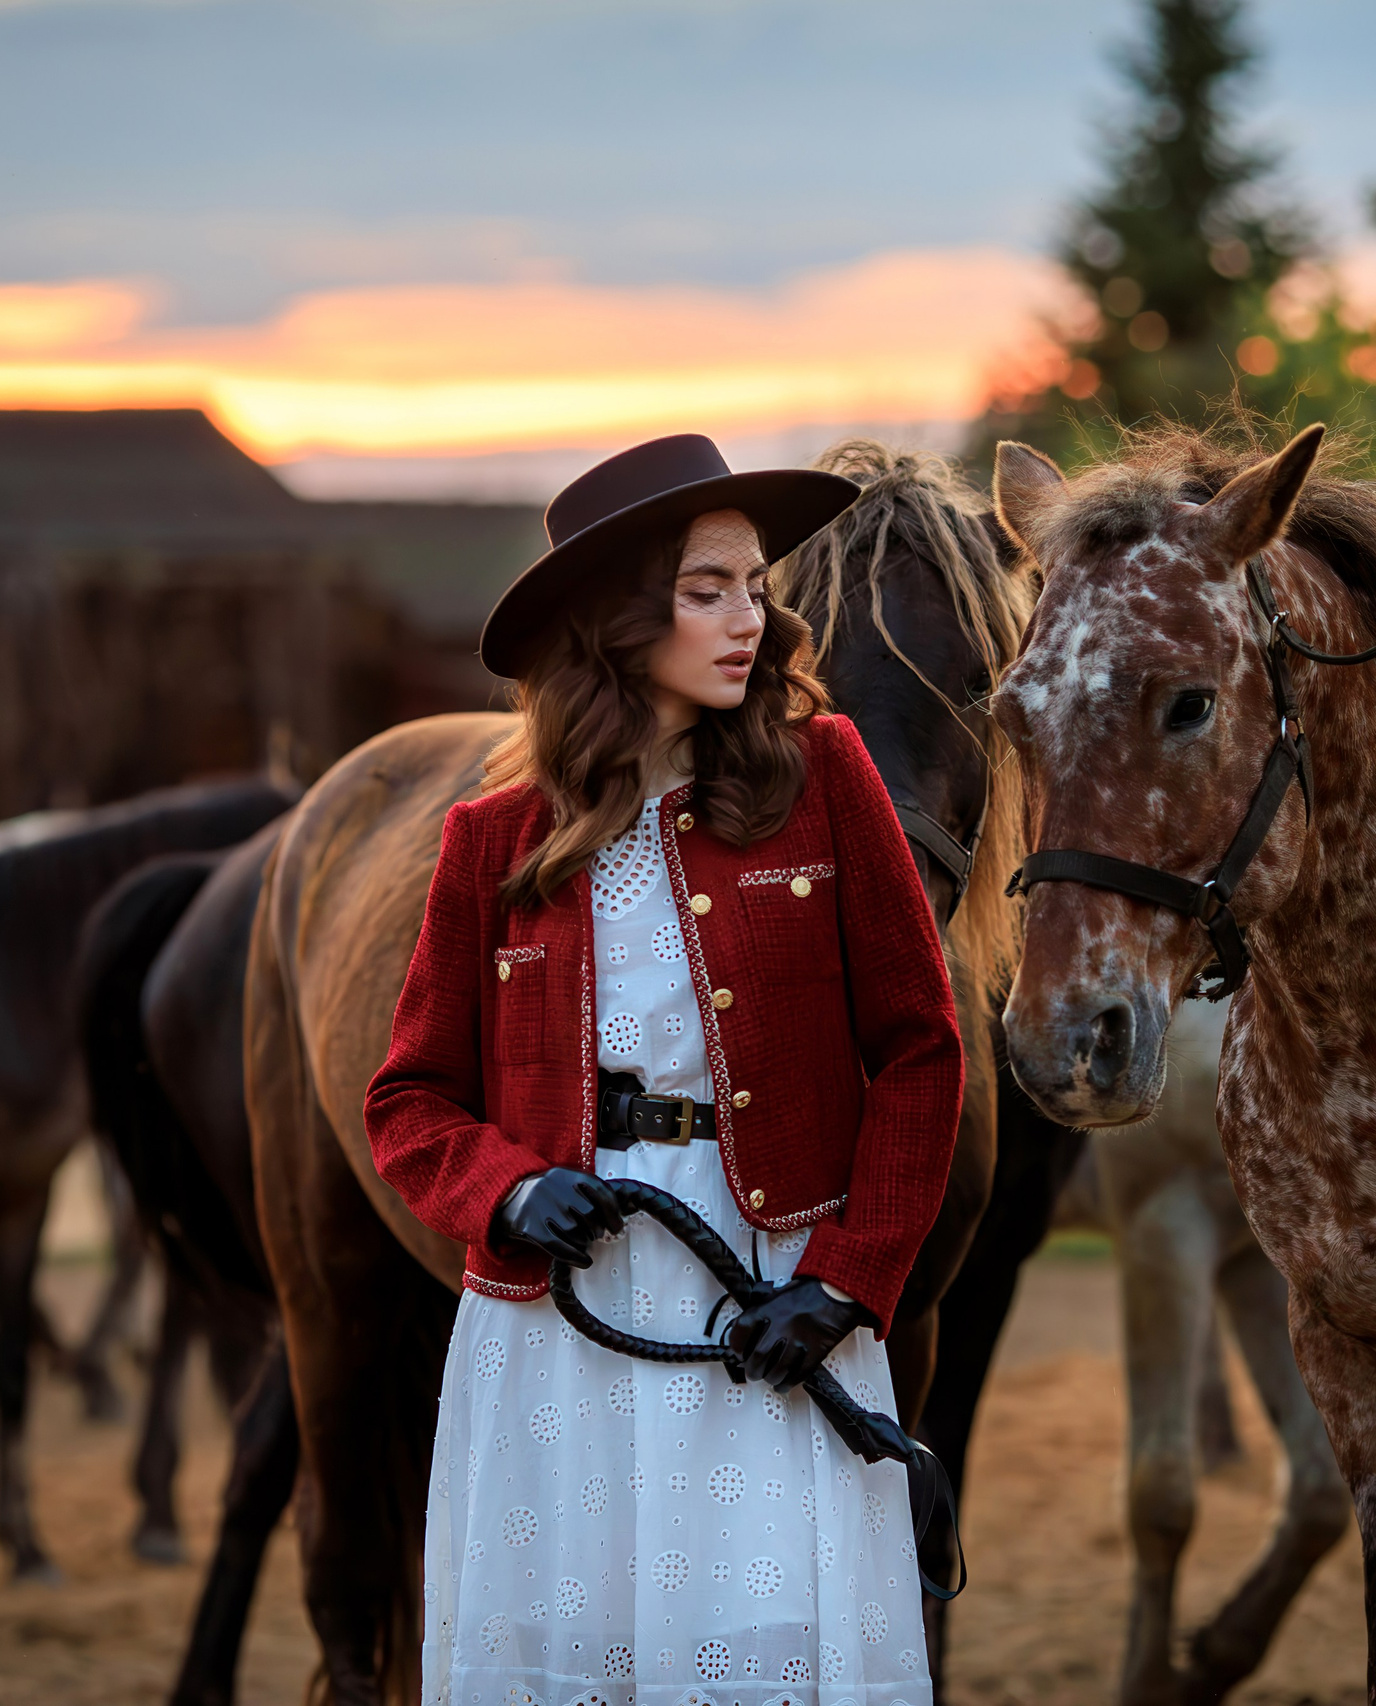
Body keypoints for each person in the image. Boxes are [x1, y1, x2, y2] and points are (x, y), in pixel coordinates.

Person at [366, 434, 964, 1706]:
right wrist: (505, 1189)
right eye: (708, 589)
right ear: (618, 615)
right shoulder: (490, 840)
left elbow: (922, 1049)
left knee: (762, 1651)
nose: (750, 618)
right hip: (557, 1329)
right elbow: (408, 1101)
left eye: (754, 586)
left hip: (770, 1299)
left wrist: (846, 1281)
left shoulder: (827, 777)